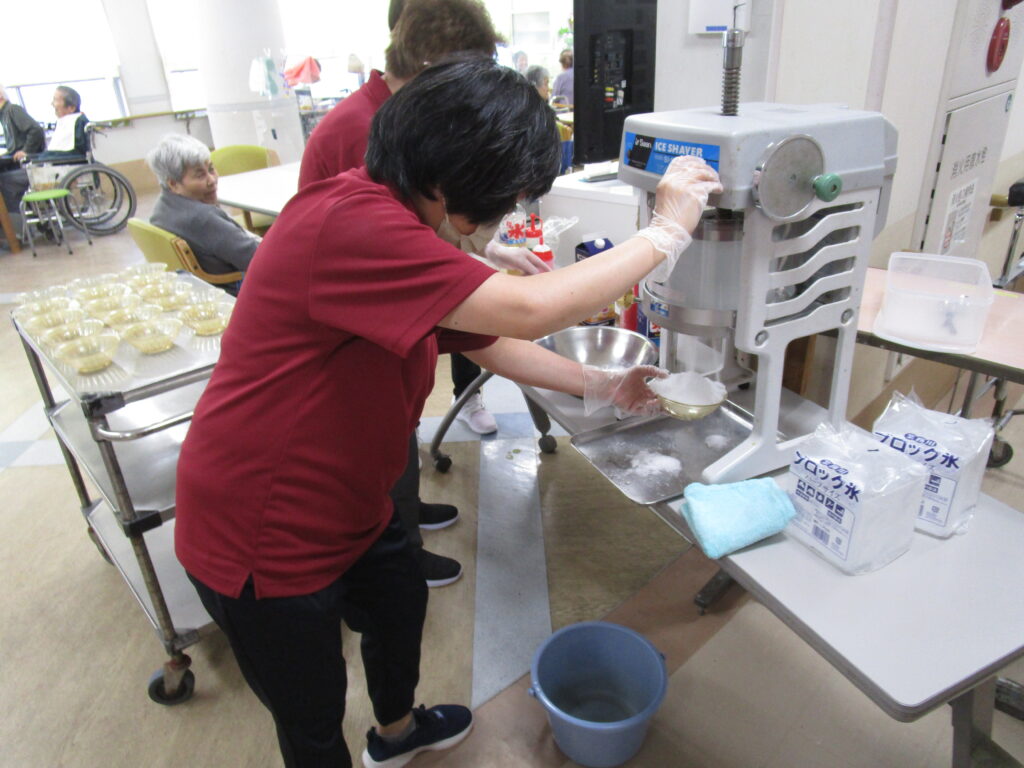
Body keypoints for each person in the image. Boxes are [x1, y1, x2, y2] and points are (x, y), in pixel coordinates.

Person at [174, 56, 719, 768]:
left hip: (355, 497)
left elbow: (488, 340)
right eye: (509, 194)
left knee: (398, 608)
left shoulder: (393, 214)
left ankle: (397, 732)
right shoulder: (349, 222)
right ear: (457, 173)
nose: (508, 213)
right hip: (262, 525)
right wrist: (666, 231)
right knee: (311, 713)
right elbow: (530, 310)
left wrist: (602, 385)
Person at [300, 0, 544, 587]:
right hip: (350, 353)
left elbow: (428, 239)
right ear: (433, 70)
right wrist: (663, 235)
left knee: (395, 437)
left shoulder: (397, 122)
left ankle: (402, 522)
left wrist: (485, 249)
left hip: (384, 333)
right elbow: (519, 309)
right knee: (374, 457)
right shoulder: (368, 132)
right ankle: (398, 547)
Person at [146, 134, 259, 296]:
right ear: (174, 184)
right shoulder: (202, 219)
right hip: (231, 292)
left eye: (211, 169)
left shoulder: (161, 208)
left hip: (193, 290)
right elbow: (258, 258)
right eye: (200, 175)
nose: (211, 180)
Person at [0, 85, 44, 228]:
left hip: (31, 164)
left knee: (4, 182)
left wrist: (26, 150)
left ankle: (18, 228)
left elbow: (35, 130)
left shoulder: (12, 110)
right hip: (18, 163)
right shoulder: (4, 115)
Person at [33, 86, 89, 162]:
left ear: (71, 107)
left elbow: (80, 151)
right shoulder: (61, 122)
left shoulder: (79, 121)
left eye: (55, 100)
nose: (52, 104)